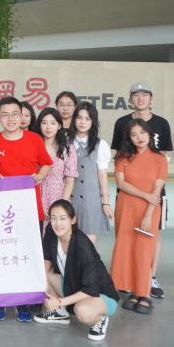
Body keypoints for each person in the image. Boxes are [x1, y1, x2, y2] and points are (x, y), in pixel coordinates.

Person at [0, 96, 52, 322]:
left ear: (22, 116)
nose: (10, 119)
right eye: (5, 115)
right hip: (2, 210)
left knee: (27, 256)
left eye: (14, 114)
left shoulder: (34, 139)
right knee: (2, 254)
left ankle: (24, 302)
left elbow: (47, 163)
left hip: (30, 208)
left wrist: (40, 175)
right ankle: (1, 301)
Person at [110, 83, 172, 300]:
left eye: (145, 94)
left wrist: (152, 193)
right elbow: (119, 158)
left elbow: (163, 156)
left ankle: (149, 277)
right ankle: (125, 279)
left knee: (152, 236)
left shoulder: (162, 124)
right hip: (128, 197)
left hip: (153, 194)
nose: (140, 98)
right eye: (136, 95)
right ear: (130, 99)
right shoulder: (121, 123)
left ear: (151, 98)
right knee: (125, 237)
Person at [33, 200, 119, 341]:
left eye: (63, 218)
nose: (57, 223)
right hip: (74, 285)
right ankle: (60, 314)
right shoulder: (51, 231)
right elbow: (47, 257)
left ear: (73, 220)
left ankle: (99, 320)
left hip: (100, 294)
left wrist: (59, 302)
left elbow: (90, 289)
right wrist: (44, 282)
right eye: (54, 218)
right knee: (43, 276)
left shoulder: (82, 246)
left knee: (82, 310)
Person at [69, 102, 113, 244]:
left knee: (89, 238)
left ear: (93, 122)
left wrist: (105, 202)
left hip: (91, 199)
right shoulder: (66, 142)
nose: (83, 122)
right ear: (74, 119)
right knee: (68, 237)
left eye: (87, 119)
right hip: (70, 198)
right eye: (79, 118)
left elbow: (102, 175)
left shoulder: (100, 145)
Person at [31, 108, 77, 226]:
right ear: (39, 125)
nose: (48, 127)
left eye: (53, 123)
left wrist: (62, 205)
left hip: (59, 197)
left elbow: (70, 180)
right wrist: (39, 203)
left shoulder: (68, 148)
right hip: (35, 197)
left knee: (58, 232)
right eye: (44, 123)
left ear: (59, 126)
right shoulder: (32, 147)